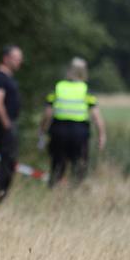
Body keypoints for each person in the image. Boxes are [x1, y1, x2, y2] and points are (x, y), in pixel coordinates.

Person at [38, 57, 106, 186]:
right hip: (79, 132)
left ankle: (54, 190)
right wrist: (102, 135)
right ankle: (76, 191)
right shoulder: (85, 90)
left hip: (59, 130)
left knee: (57, 165)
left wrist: (42, 131)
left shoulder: (58, 87)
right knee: (79, 165)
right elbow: (96, 116)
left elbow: (47, 113)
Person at [0, 45, 23, 200]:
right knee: (7, 162)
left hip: (8, 124)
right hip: (3, 126)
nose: (19, 62)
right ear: (5, 58)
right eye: (16, 58)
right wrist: (7, 125)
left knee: (9, 162)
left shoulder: (7, 78)